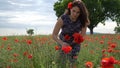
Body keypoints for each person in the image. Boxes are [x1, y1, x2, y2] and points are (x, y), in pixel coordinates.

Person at [52, 0, 90, 68]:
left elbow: (82, 36)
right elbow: (54, 35)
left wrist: (76, 41)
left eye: (78, 12)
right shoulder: (63, 19)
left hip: (75, 45)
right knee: (62, 63)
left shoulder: (83, 20)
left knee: (72, 64)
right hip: (63, 44)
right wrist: (62, 43)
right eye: (73, 11)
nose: (75, 14)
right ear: (70, 9)